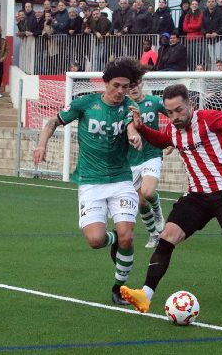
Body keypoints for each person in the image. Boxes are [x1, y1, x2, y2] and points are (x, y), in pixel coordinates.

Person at [120, 83, 222, 315]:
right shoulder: (174, 130)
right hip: (197, 196)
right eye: (170, 112)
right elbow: (161, 140)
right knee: (167, 237)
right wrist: (141, 129)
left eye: (179, 110)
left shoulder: (208, 118)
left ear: (190, 105)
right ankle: (145, 294)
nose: (175, 116)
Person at [33, 57, 145, 305]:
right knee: (96, 240)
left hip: (120, 179)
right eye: (116, 85)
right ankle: (113, 238)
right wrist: (41, 143)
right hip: (91, 181)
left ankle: (119, 288)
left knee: (128, 237)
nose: (120, 91)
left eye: (125, 86)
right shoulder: (85, 103)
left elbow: (130, 126)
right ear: (105, 84)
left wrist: (134, 134)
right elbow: (53, 121)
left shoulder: (129, 106)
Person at [126, 80, 168, 248]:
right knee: (141, 202)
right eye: (130, 85)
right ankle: (153, 235)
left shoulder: (155, 101)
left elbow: (174, 115)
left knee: (148, 192)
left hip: (152, 154)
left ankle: (157, 210)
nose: (133, 88)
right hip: (131, 160)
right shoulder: (123, 107)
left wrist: (170, 140)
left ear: (142, 84)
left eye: (136, 84)